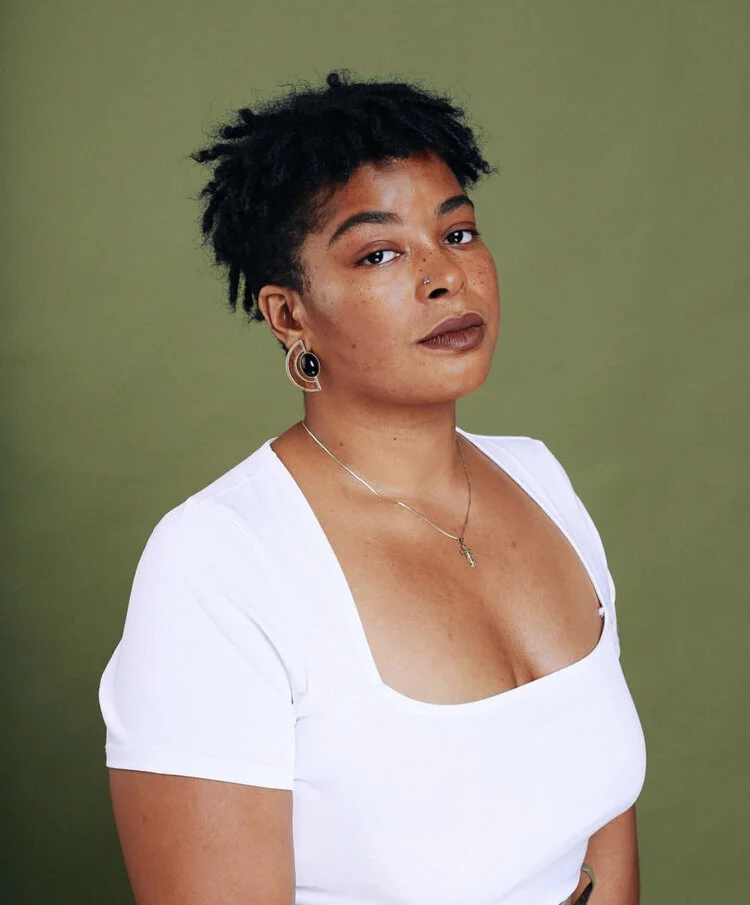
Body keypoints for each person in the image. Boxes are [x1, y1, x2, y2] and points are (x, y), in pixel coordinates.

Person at [98, 69, 646, 905]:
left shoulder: (539, 479)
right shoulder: (219, 561)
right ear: (289, 315)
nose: (445, 275)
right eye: (380, 252)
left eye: (457, 232)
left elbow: (601, 828)